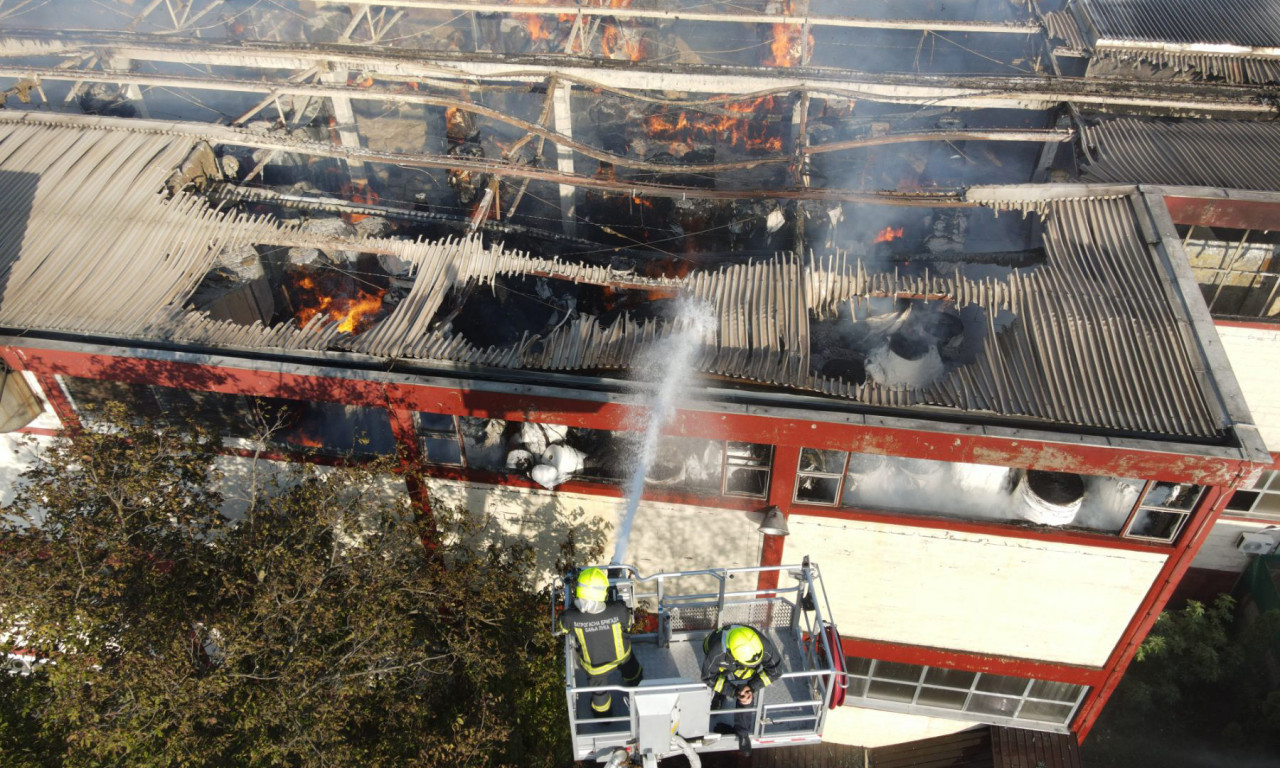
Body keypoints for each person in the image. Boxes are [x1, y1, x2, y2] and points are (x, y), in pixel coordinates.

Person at [557, 567, 644, 717]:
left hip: (596, 667)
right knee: (632, 670)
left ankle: (604, 716)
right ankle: (636, 685)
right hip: (622, 658)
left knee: (600, 694)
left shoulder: (571, 617)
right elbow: (629, 624)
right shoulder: (617, 610)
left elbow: (562, 628)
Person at [700, 624, 781, 755]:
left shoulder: (761, 645)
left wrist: (751, 687)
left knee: (746, 699)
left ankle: (742, 734)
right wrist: (731, 690)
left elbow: (776, 670)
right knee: (720, 680)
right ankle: (719, 696)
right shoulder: (716, 651)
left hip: (733, 660)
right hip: (722, 663)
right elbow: (708, 677)